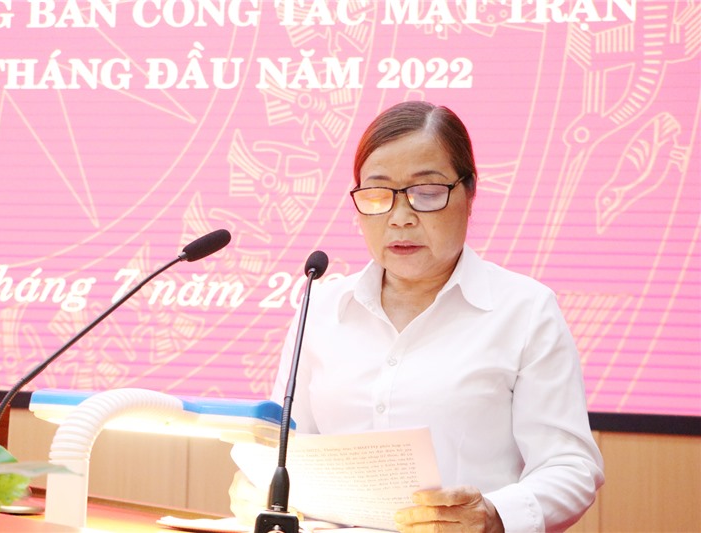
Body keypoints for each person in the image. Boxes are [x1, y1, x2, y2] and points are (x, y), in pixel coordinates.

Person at [230, 101, 604, 532]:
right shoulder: (321, 307)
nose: (401, 218)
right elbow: (285, 449)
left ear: (469, 194)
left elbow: (571, 467)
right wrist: (260, 489)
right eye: (377, 195)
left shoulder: (525, 310)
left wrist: (492, 515)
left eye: (426, 194)